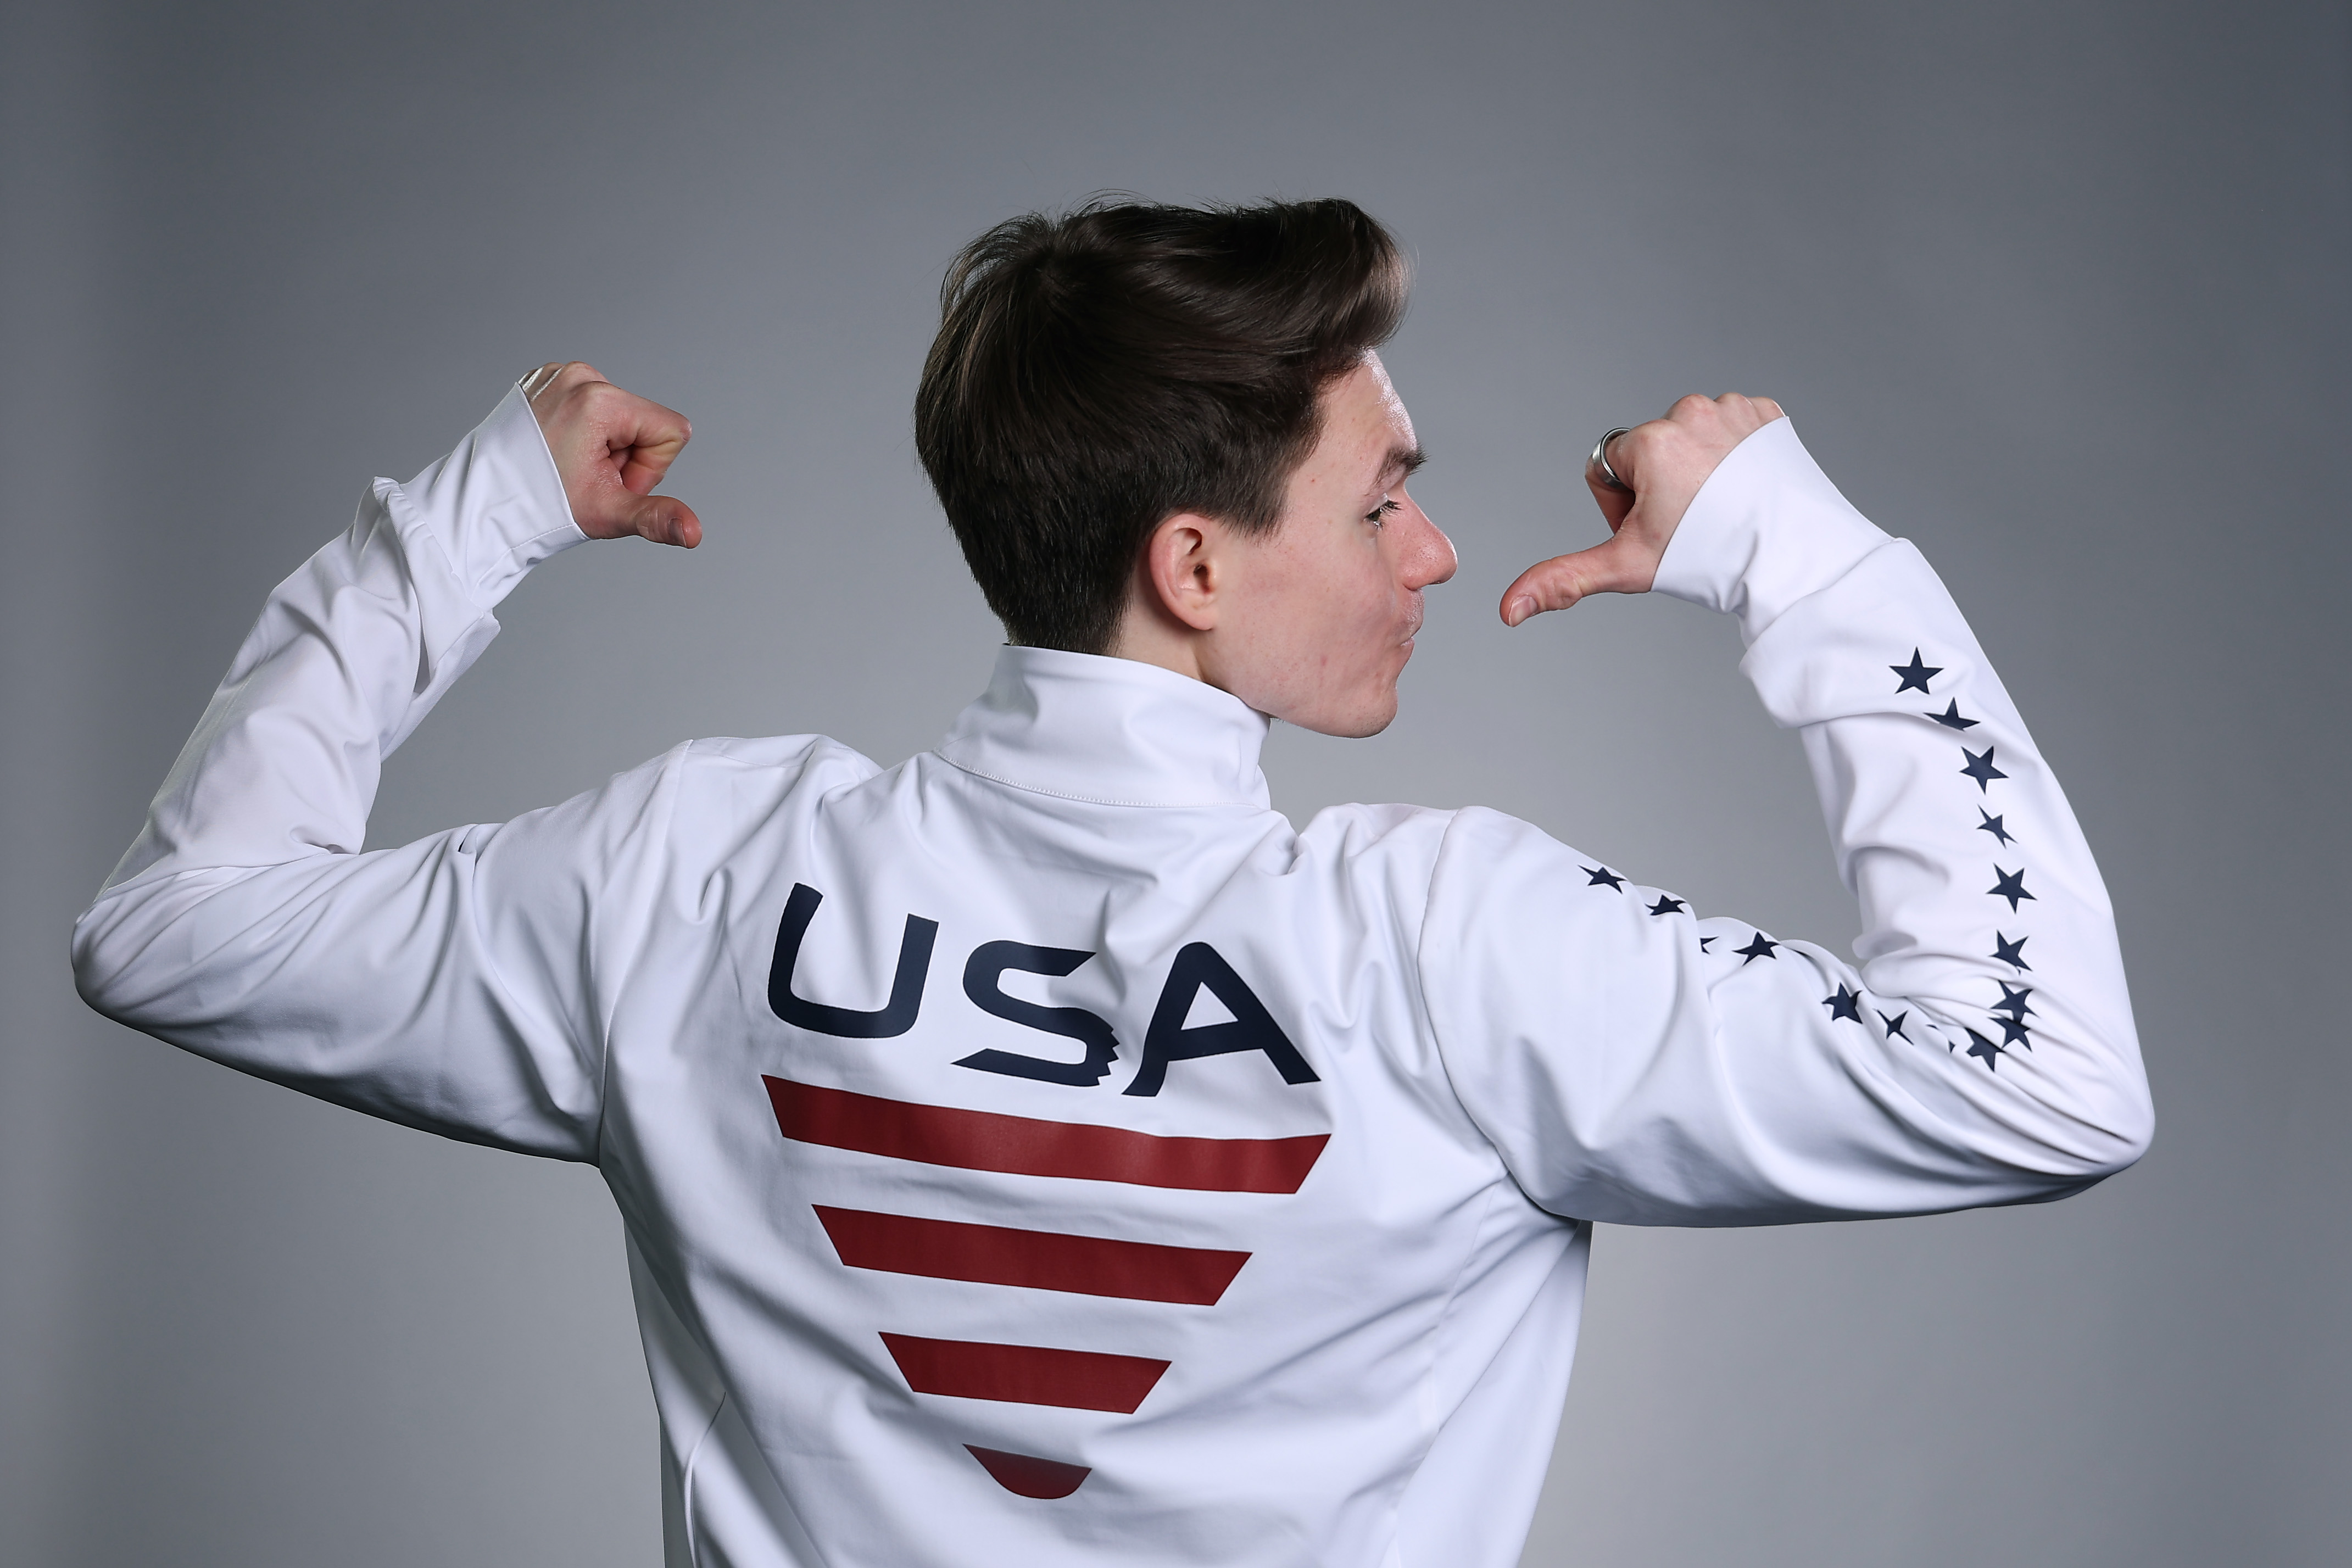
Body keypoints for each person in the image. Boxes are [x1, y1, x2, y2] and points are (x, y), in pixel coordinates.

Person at [71, 198, 2151, 1568]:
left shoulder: (690, 879)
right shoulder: (1445, 947)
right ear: (1194, 564)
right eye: (1384, 498)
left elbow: (177, 928)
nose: (1430, 550)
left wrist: (473, 518)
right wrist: (1798, 559)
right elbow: (2041, 1076)